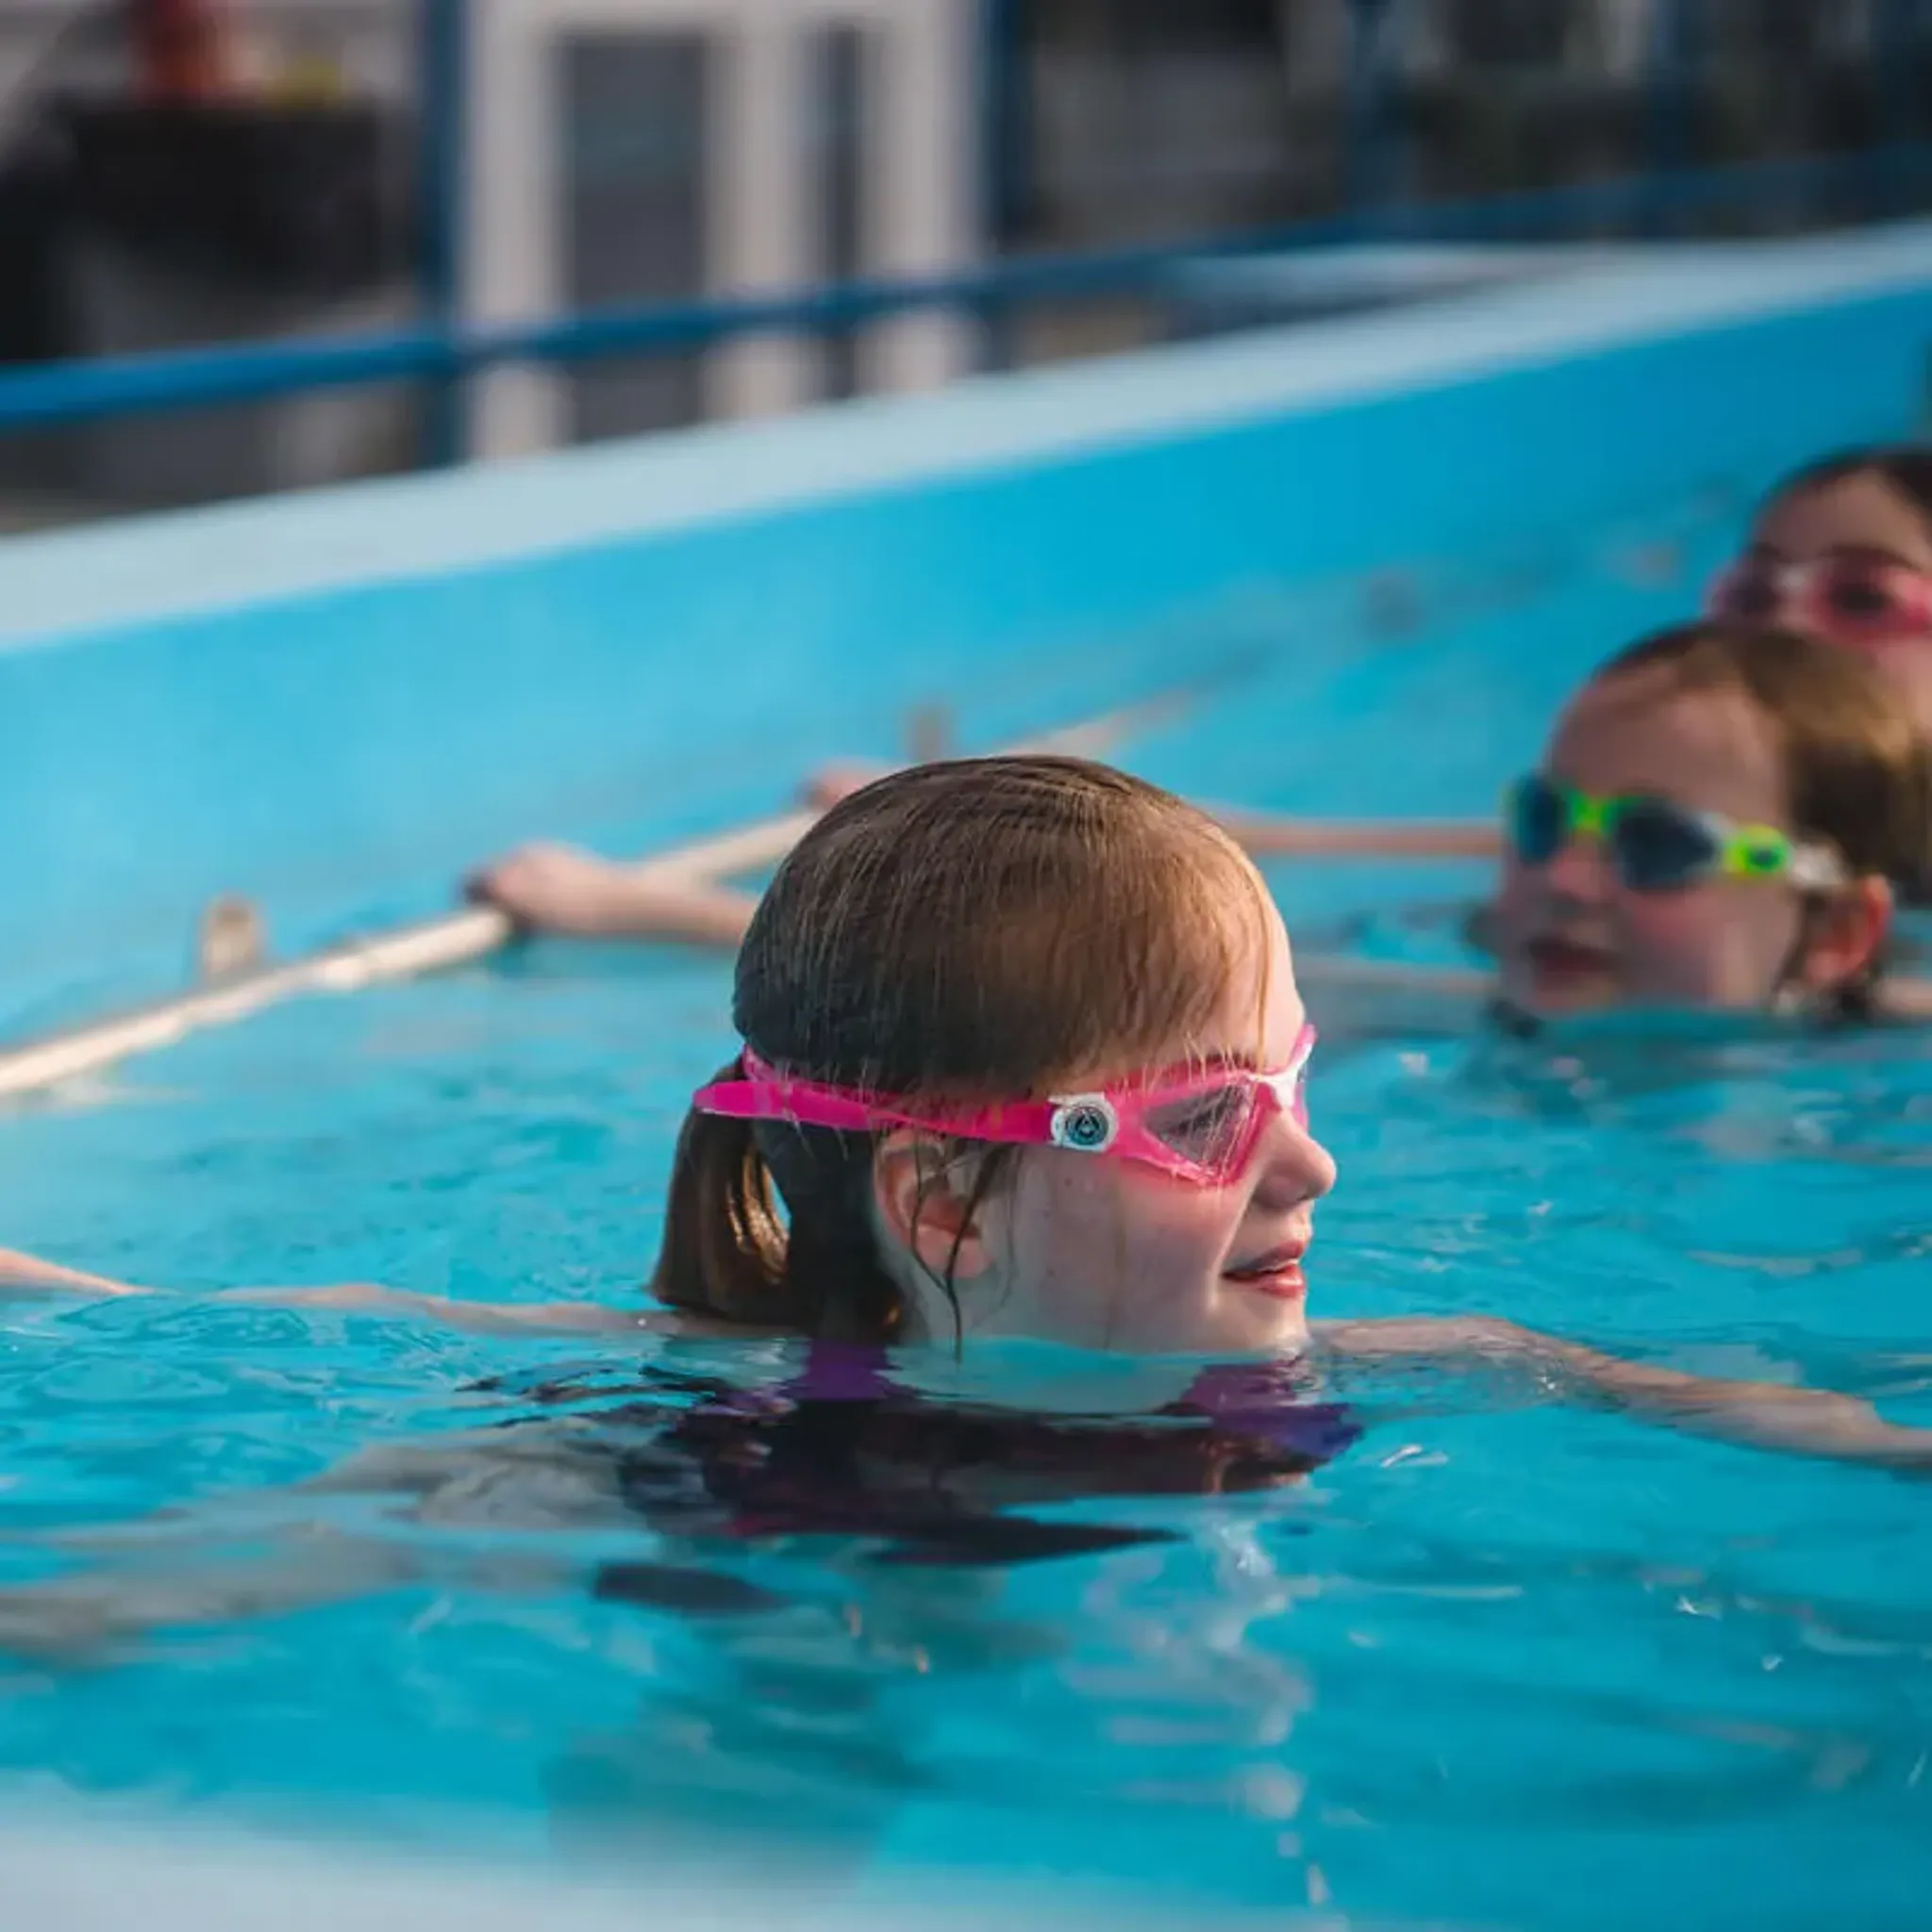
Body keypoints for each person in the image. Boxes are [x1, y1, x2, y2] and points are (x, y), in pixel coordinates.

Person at [11, 755, 1924, 1471]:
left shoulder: (1359, 1365)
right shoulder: (721, 1405)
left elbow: (1617, 1377)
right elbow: (285, 1343)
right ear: (937, 1195)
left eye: (1290, 1090)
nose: (1311, 1164)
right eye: (1208, 1123)